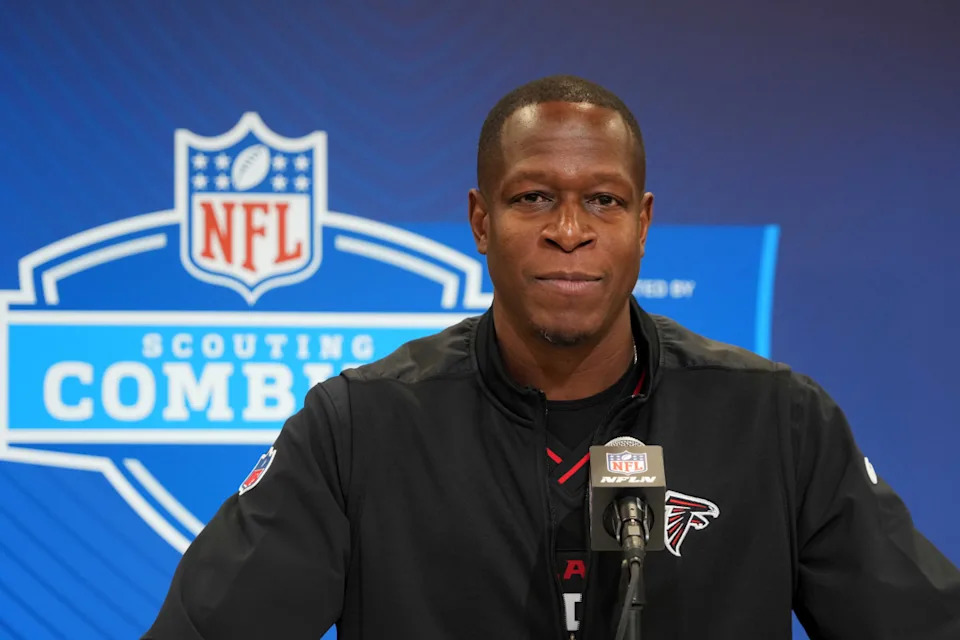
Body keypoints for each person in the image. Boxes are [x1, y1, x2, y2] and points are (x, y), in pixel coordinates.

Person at [143, 75, 960, 639]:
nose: (569, 229)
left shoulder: (777, 422)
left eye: (601, 200)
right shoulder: (361, 426)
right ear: (479, 219)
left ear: (642, 222)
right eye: (534, 196)